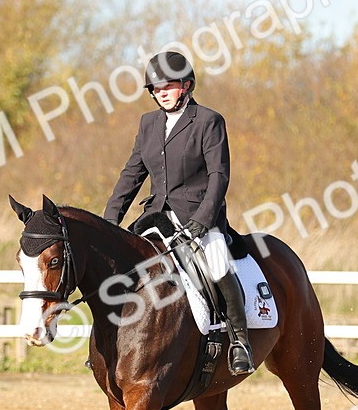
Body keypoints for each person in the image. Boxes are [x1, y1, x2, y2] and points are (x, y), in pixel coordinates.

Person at [103, 51, 255, 375]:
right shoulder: (148, 123)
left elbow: (219, 176)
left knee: (216, 264)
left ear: (186, 85)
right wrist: (109, 221)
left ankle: (239, 340)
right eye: (156, 89)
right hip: (156, 216)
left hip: (198, 216)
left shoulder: (208, 121)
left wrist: (203, 220)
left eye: (168, 87)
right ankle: (110, 345)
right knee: (124, 264)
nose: (162, 93)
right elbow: (132, 174)